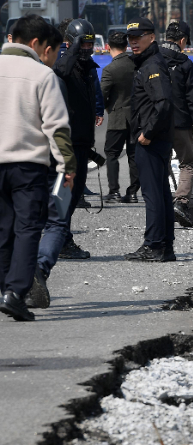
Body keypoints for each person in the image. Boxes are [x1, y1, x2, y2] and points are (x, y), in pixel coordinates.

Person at [0, 15, 76, 321]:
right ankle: (16, 293)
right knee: (28, 228)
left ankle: (4, 287)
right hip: (27, 166)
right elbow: (57, 128)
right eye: (53, 50)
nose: (53, 57)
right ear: (36, 44)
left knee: (2, 229)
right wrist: (67, 167)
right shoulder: (42, 76)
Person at [124, 18, 175, 262]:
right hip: (156, 138)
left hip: (151, 140)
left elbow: (163, 103)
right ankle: (165, 246)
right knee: (161, 192)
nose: (133, 41)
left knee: (153, 194)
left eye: (139, 36)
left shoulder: (152, 65)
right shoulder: (148, 62)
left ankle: (154, 245)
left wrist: (147, 133)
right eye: (130, 38)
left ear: (152, 37)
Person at [53, 18, 99, 260]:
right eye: (82, 44)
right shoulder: (65, 65)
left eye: (89, 43)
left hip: (83, 140)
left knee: (75, 194)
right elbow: (60, 70)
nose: (86, 48)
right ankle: (61, 240)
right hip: (68, 143)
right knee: (65, 196)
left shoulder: (88, 68)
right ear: (70, 43)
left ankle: (62, 237)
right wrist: (73, 48)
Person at [160, 20, 193, 228]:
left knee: (160, 161)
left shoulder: (152, 59)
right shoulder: (185, 63)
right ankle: (181, 202)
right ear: (183, 40)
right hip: (181, 123)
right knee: (187, 162)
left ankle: (160, 203)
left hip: (156, 123)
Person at [101, 31, 141, 204]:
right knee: (133, 155)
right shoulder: (137, 64)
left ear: (108, 47)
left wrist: (106, 107)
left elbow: (102, 95)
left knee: (111, 153)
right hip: (136, 116)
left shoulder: (110, 69)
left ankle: (114, 191)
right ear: (126, 46)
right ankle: (132, 192)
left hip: (117, 116)